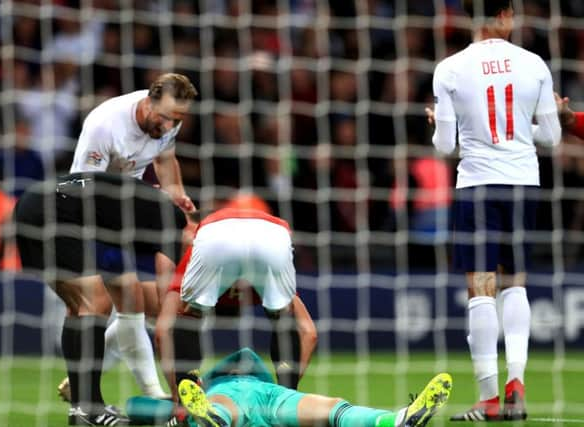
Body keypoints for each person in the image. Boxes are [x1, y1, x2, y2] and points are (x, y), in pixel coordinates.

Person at [427, 0, 561, 421]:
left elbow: (446, 146)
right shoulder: (534, 64)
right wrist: (526, 126)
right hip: (523, 183)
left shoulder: (450, 68)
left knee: (480, 288)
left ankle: (487, 399)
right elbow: (552, 137)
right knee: (515, 284)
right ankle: (516, 387)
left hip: (477, 185)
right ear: (505, 14)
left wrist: (437, 124)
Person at [57, 72, 199, 403]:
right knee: (94, 305)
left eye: (176, 120)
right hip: (82, 212)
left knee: (131, 300)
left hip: (121, 213)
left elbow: (166, 160)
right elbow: (80, 185)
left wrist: (176, 195)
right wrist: (137, 193)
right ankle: (84, 396)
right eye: (163, 117)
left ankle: (149, 393)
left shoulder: (169, 122)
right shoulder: (105, 124)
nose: (168, 126)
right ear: (148, 101)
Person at [14, 172, 189, 425]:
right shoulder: (173, 221)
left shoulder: (141, 211)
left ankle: (81, 411)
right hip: (54, 211)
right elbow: (166, 300)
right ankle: (90, 409)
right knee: (94, 302)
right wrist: (181, 392)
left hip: (31, 205)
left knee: (79, 307)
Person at [155, 206, 318, 401]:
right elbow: (309, 333)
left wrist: (176, 393)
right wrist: (282, 389)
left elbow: (162, 331)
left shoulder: (191, 261)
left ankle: (187, 403)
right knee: (283, 316)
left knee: (189, 315)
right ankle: (284, 401)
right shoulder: (263, 277)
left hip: (217, 234)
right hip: (274, 233)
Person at [163, 348, 452, 427]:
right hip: (272, 396)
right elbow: (247, 356)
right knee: (332, 410)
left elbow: (141, 406)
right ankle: (393, 421)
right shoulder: (240, 377)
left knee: (224, 410)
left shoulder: (208, 387)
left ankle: (214, 420)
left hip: (223, 398)